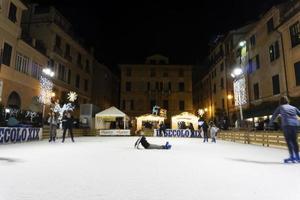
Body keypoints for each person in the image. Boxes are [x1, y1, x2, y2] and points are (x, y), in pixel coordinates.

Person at [269, 96, 300, 163]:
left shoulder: (281, 107)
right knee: (294, 141)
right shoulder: (293, 107)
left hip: (287, 125)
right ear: (287, 101)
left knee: (289, 141)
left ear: (280, 102)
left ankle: (292, 156)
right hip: (295, 125)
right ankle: (297, 157)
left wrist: (270, 124)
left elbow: (274, 115)